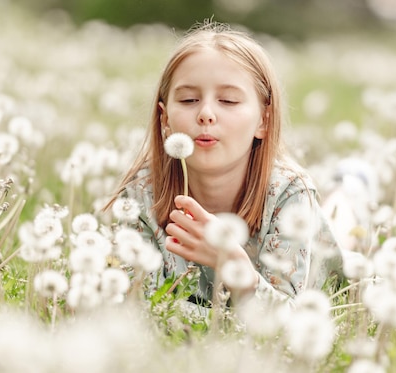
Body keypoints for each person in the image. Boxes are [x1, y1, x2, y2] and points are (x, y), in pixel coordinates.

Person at [106, 21, 341, 306]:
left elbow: (286, 321)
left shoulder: (290, 194)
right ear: (164, 119)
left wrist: (235, 268)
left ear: (264, 120)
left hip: (324, 243)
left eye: (228, 101)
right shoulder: (140, 196)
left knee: (344, 225)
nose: (206, 114)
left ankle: (347, 188)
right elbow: (138, 310)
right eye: (189, 99)